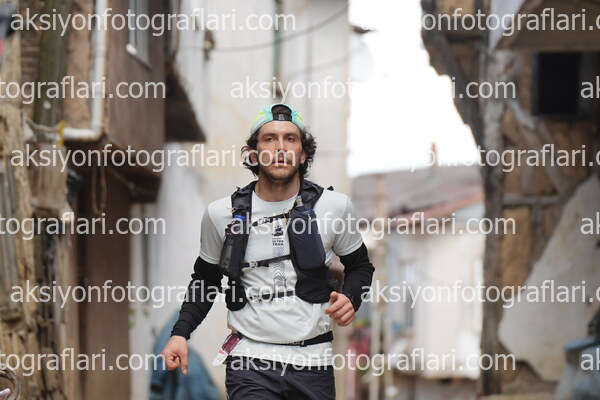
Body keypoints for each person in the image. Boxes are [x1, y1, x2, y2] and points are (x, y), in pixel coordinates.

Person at [161, 103, 374, 399]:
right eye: (269, 139)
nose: (280, 148)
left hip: (314, 362)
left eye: (290, 138)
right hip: (250, 361)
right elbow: (205, 281)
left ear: (303, 154)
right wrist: (180, 333)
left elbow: (360, 266)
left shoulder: (335, 207)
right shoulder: (221, 214)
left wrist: (351, 297)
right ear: (254, 154)